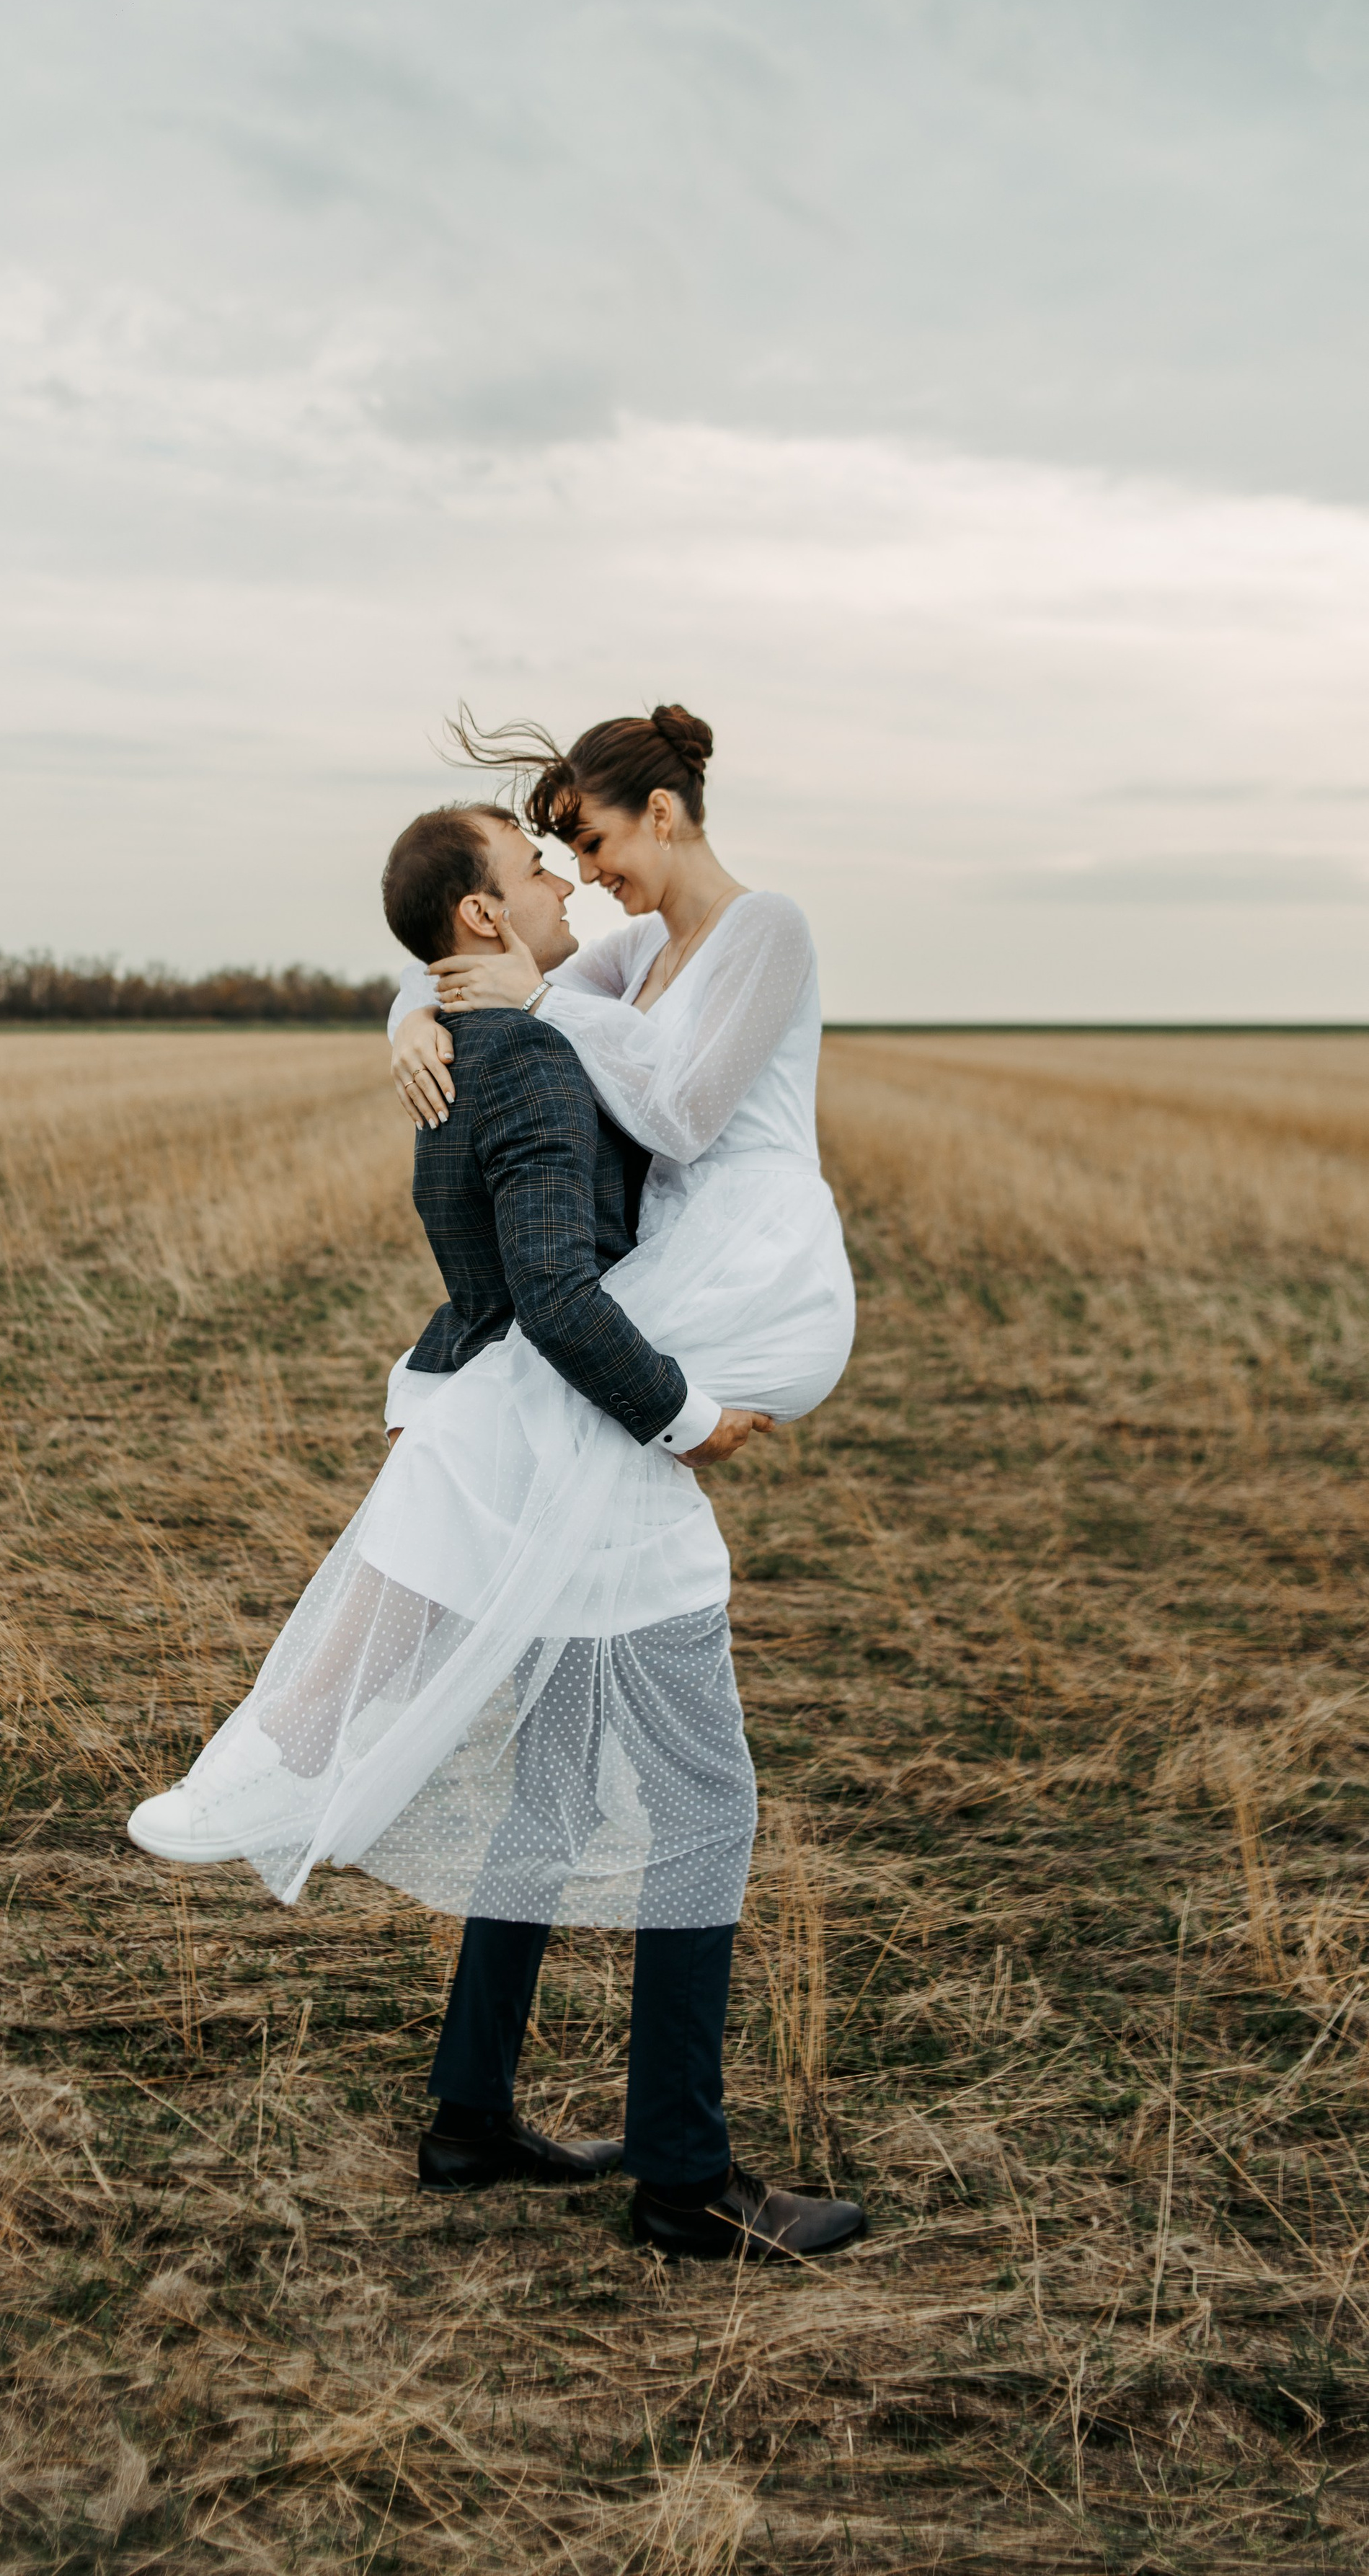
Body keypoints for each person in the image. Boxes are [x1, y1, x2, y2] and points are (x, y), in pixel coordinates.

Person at [126, 774, 865, 2265]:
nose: (574, 885)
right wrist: (680, 1414)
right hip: (611, 1435)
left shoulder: (591, 987)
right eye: (551, 861)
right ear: (485, 911)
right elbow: (554, 1262)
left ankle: (470, 2115)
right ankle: (682, 2181)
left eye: (580, 849)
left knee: (548, 1786)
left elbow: (566, 1050)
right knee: (703, 1807)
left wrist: (451, 1007)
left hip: (596, 1400)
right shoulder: (559, 1023)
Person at [387, 703, 856, 1438]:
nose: (583, 873)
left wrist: (540, 1000)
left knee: (502, 1396)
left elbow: (684, 1122)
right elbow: (474, 966)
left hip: (761, 1259)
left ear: (660, 814)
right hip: (667, 1250)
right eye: (569, 854)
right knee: (528, 1405)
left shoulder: (767, 927)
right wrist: (412, 1021)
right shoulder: (637, 952)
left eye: (593, 842)